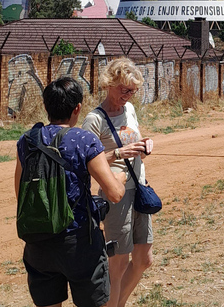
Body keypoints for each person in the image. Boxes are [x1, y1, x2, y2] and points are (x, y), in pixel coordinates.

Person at [14, 77, 126, 307]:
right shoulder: (84, 140)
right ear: (78, 108)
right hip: (79, 243)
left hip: (39, 242)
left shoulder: (28, 140)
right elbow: (114, 193)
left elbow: (21, 192)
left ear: (46, 107)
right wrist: (121, 176)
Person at [83, 58, 154, 307]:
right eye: (125, 90)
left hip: (140, 188)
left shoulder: (130, 110)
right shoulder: (94, 120)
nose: (129, 95)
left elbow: (133, 139)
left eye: (133, 91)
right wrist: (118, 154)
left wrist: (144, 146)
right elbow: (86, 161)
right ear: (109, 84)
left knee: (144, 259)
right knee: (119, 264)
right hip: (116, 194)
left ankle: (116, 304)